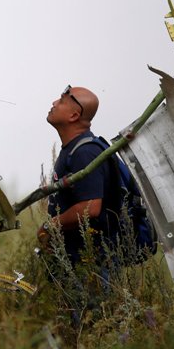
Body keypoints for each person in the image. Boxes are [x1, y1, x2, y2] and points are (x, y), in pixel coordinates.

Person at [37, 85, 124, 266]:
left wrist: (51, 225)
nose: (54, 103)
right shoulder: (73, 149)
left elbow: (90, 207)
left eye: (61, 101)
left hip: (91, 264)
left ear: (74, 116)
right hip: (76, 259)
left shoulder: (85, 153)